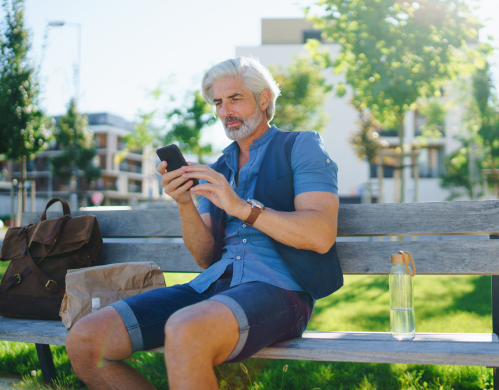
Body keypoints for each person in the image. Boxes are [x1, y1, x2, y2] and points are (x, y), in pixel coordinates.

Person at [65, 56, 343, 390]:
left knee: (186, 329)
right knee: (85, 339)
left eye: (235, 98)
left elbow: (321, 235)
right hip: (212, 287)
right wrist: (183, 202)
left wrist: (241, 207)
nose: (225, 111)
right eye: (218, 102)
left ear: (264, 98)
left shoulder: (301, 147)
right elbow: (204, 256)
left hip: (282, 291)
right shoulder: (219, 168)